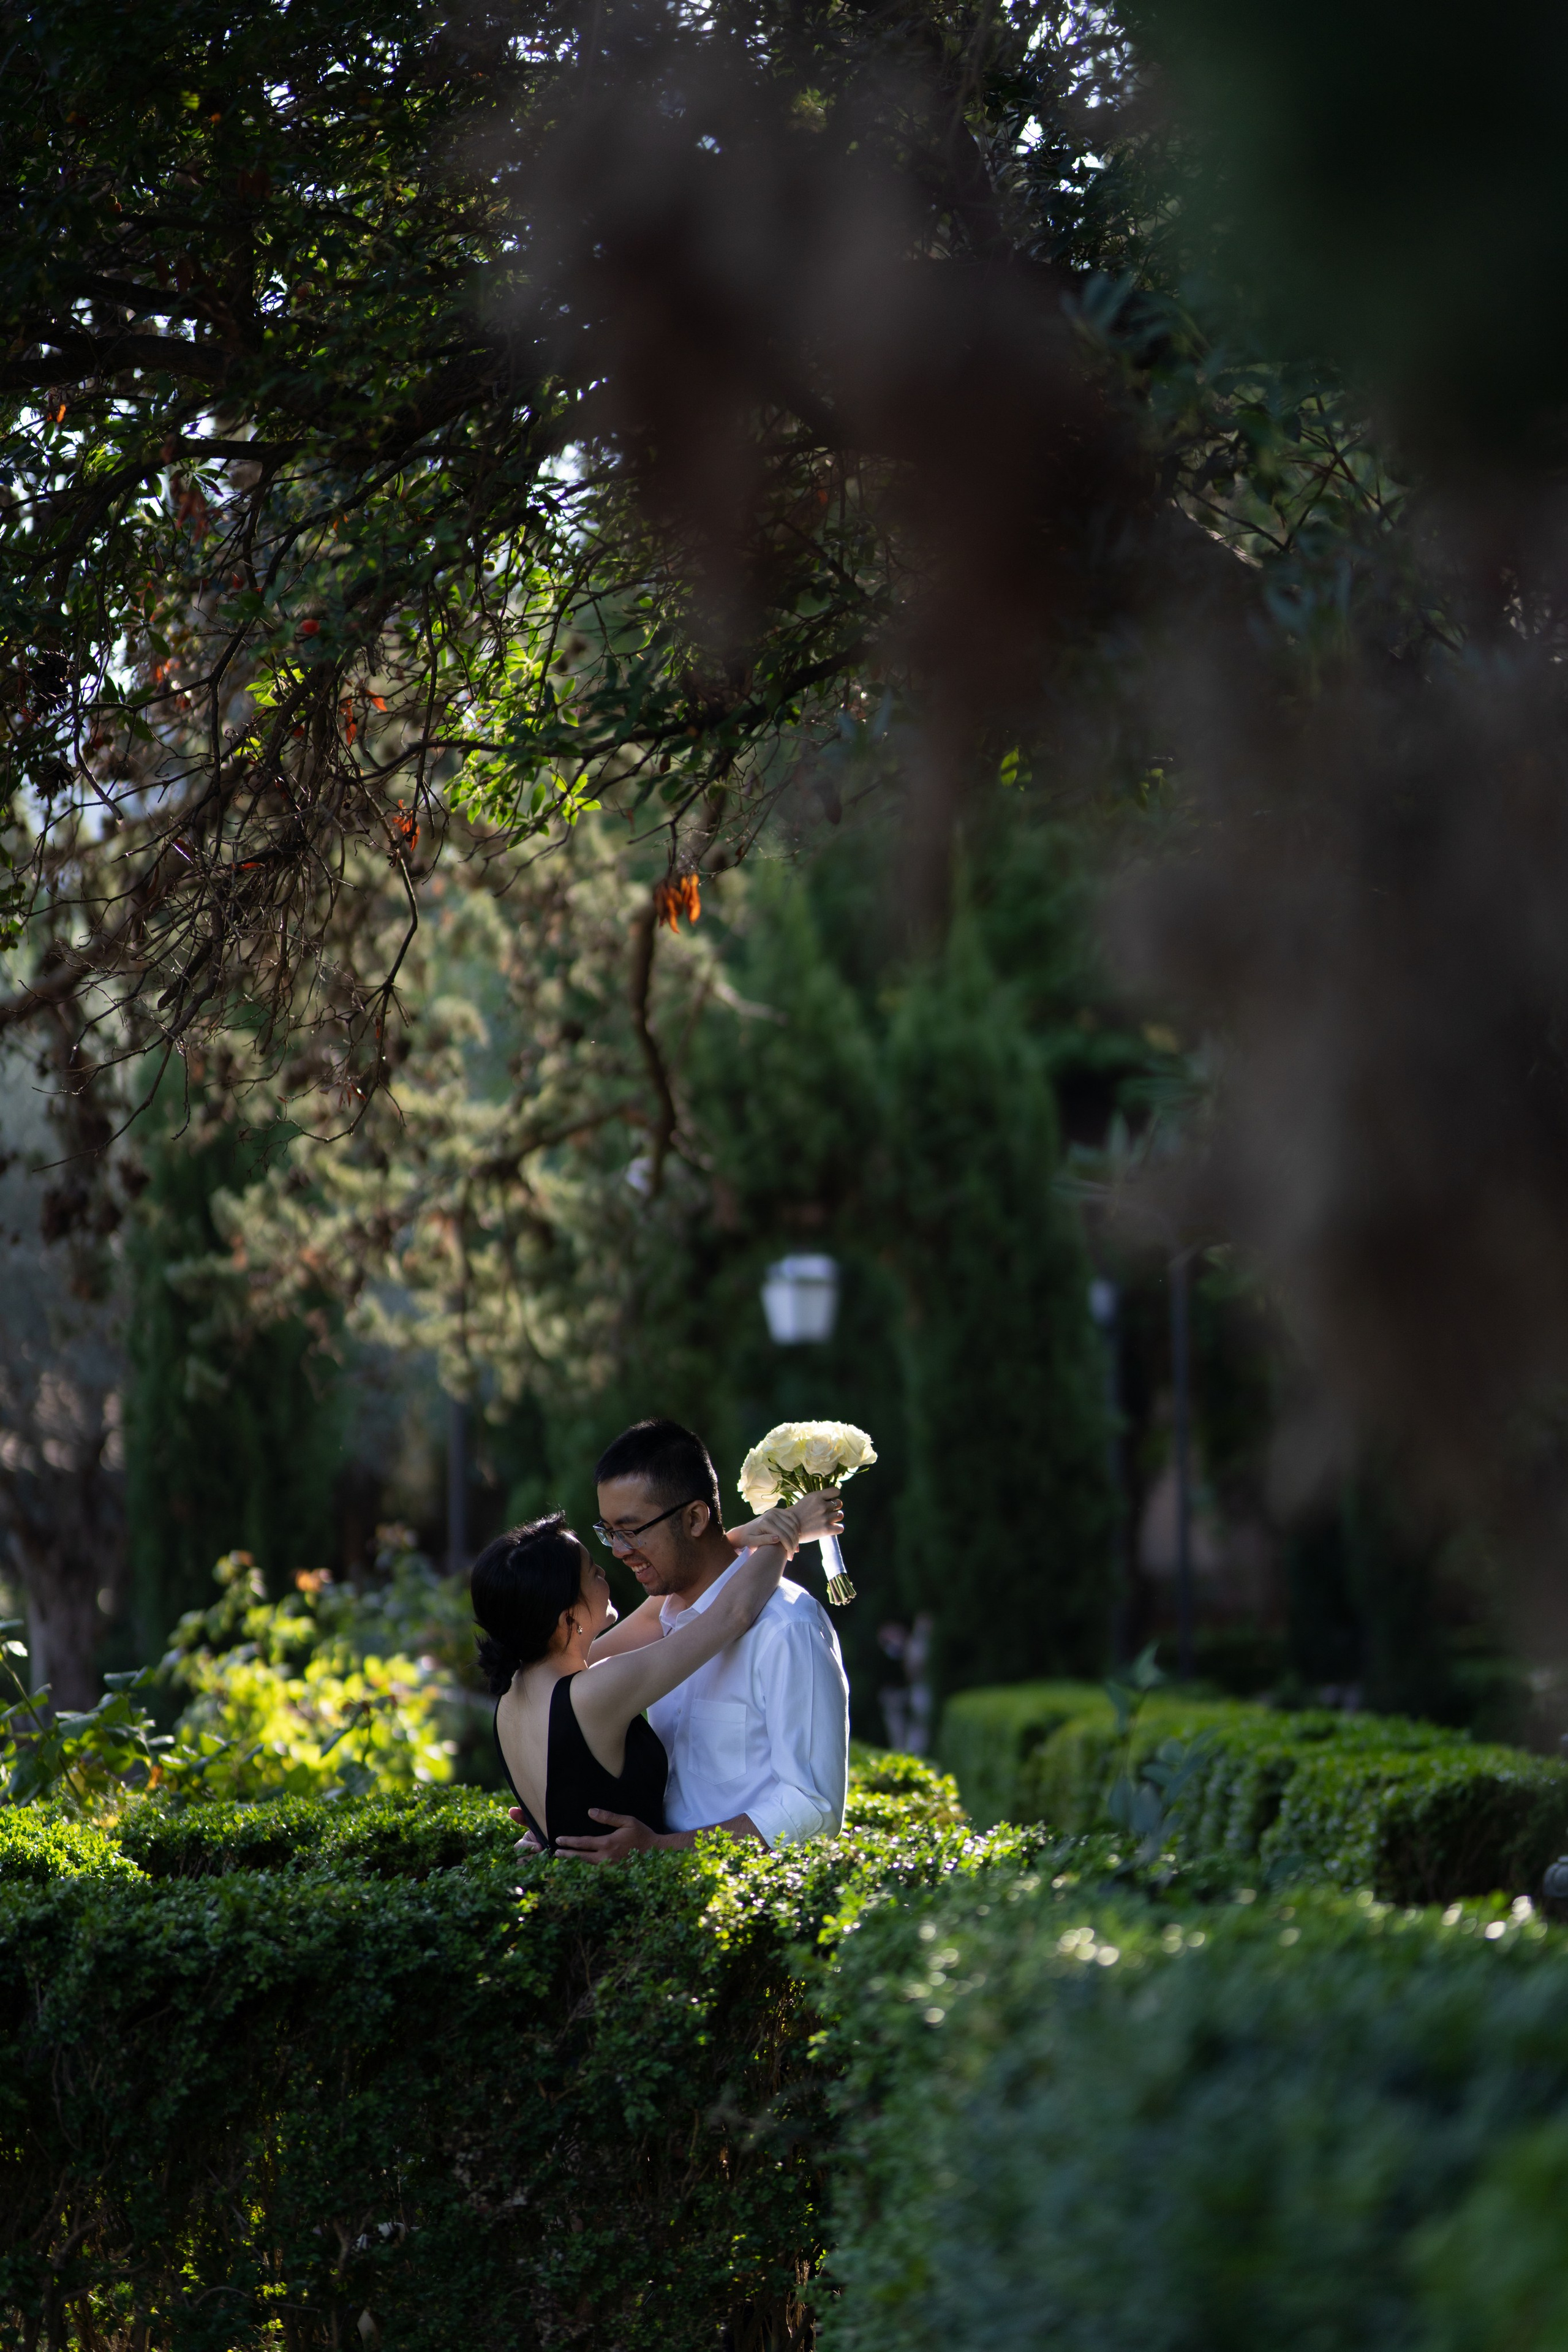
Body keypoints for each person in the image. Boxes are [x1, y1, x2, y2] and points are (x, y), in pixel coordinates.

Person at [508, 1417, 851, 1861]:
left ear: (694, 1518)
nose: (617, 1551)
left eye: (631, 1531)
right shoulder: (664, 1626)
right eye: (609, 1532)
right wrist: (562, 1821)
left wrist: (661, 1850)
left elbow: (815, 1809)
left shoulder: (787, 1627)